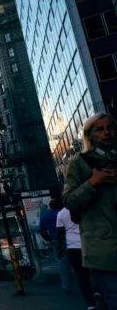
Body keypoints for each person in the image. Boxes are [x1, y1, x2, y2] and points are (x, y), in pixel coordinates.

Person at [63, 113, 117, 310]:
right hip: (103, 250)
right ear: (89, 134)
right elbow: (69, 201)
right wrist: (94, 182)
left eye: (110, 128)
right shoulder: (79, 162)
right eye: (99, 129)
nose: (107, 133)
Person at [57, 206, 96, 309]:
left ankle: (90, 303)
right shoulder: (85, 208)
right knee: (96, 271)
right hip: (89, 244)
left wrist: (60, 249)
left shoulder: (61, 213)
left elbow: (60, 233)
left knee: (82, 277)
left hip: (73, 247)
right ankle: (98, 291)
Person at [40, 198, 71, 292]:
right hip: (69, 238)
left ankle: (65, 285)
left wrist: (49, 239)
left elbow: (42, 231)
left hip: (56, 241)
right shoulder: (65, 213)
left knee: (61, 262)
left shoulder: (45, 216)